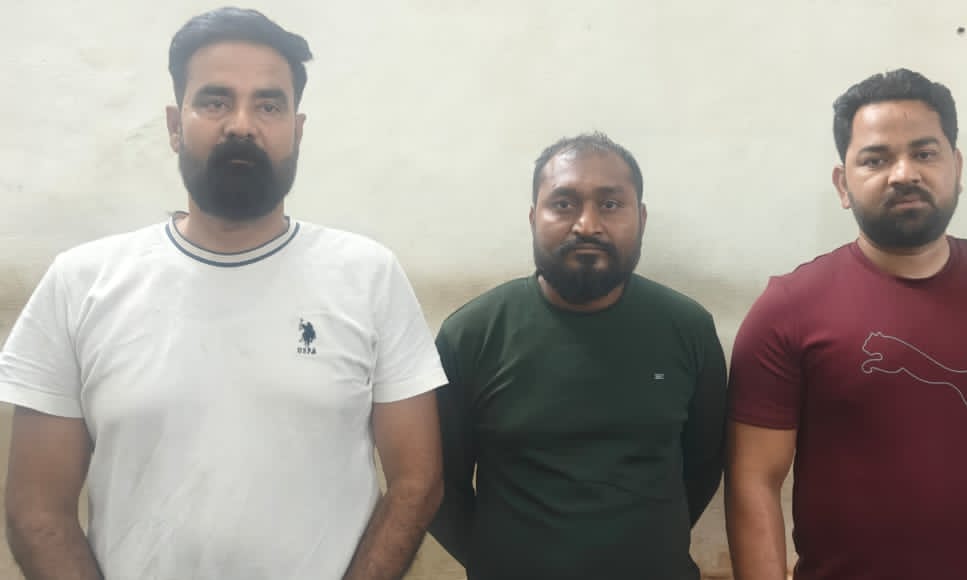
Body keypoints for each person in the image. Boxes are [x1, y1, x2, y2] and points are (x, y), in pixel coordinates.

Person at [0, 8, 446, 579]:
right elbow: (37, 511)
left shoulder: (368, 276)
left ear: (297, 130)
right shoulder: (80, 283)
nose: (241, 124)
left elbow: (417, 482)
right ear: (174, 125)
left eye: (268, 105)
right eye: (215, 102)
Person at [725, 68, 967, 580]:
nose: (903, 173)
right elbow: (753, 480)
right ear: (843, 184)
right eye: (876, 159)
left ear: (956, 166)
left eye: (925, 153)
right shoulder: (787, 309)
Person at [428, 132, 727, 580]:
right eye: (564, 203)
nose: (587, 225)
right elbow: (437, 485)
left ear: (641, 218)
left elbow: (703, 467)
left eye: (610, 204)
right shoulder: (471, 334)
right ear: (534, 217)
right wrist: (497, 561)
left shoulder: (689, 329)